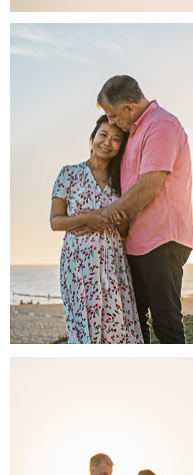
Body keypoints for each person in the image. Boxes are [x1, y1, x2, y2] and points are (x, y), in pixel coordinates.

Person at [95, 75, 193, 344]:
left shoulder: (161, 125)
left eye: (113, 115)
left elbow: (149, 186)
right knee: (134, 323)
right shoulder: (134, 132)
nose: (112, 121)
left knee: (166, 324)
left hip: (161, 240)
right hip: (136, 243)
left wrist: (103, 216)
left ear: (129, 108)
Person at [50, 115, 143, 344]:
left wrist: (116, 219)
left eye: (116, 139)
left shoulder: (122, 180)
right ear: (92, 138)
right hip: (78, 263)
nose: (107, 142)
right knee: (84, 325)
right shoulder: (68, 174)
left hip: (113, 262)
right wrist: (88, 220)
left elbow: (122, 231)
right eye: (103, 135)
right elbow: (55, 221)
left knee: (116, 324)